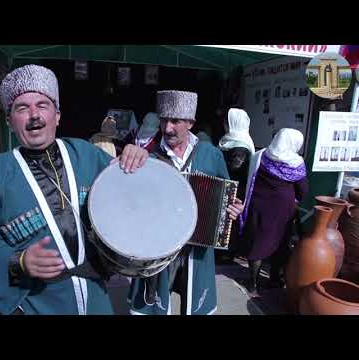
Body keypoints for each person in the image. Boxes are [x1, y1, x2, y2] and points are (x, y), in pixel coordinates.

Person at [0, 64, 149, 315]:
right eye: (22, 108)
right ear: (9, 120)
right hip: (34, 301)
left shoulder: (85, 154)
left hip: (94, 296)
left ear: (57, 115)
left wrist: (137, 157)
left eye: (42, 105)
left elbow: (130, 196)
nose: (34, 115)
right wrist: (19, 262)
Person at [128, 90, 244, 315]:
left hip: (197, 251)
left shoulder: (212, 155)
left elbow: (227, 196)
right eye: (164, 120)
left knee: (195, 303)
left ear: (190, 123)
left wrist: (233, 208)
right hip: (160, 249)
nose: (167, 128)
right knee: (157, 305)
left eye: (175, 121)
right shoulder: (148, 157)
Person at [239, 128, 309, 295]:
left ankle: (253, 283)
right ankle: (274, 280)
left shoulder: (261, 156)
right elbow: (303, 191)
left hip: (259, 207)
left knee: (258, 243)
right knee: (280, 243)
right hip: (282, 212)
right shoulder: (296, 164)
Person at [217, 108, 255, 258]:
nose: (224, 124)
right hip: (226, 187)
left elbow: (233, 168)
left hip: (235, 191)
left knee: (229, 222)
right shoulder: (231, 141)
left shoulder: (240, 146)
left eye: (227, 121)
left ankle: (226, 253)